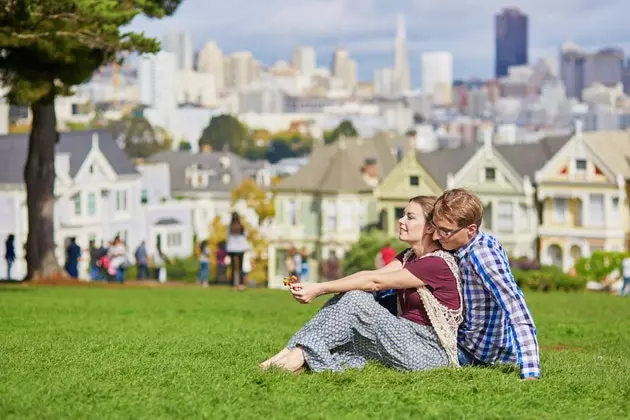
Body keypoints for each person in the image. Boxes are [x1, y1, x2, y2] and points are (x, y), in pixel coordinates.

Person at [260, 196, 462, 374]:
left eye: (410, 217)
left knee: (356, 299)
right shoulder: (409, 257)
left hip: (427, 351)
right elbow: (370, 276)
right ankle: (288, 354)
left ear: (429, 227)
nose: (400, 221)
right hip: (403, 338)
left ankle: (296, 357)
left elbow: (374, 282)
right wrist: (318, 286)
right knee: (352, 299)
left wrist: (319, 288)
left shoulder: (437, 263)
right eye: (402, 215)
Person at [430, 188, 541, 381]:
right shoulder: (463, 246)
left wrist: (530, 372)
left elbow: (515, 306)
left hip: (478, 353)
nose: (436, 236)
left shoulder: (482, 255)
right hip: (469, 342)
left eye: (445, 231)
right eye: (436, 227)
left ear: (471, 230)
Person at [226, 212, 249, 291]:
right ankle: (241, 284)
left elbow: (227, 237)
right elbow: (246, 235)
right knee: (240, 267)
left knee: (233, 268)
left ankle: (233, 285)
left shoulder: (230, 227)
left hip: (232, 248)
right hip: (240, 248)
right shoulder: (242, 227)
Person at [375, 242, 398, 315]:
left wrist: (379, 270)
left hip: (385, 270)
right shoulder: (392, 250)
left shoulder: (382, 251)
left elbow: (378, 260)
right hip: (393, 271)